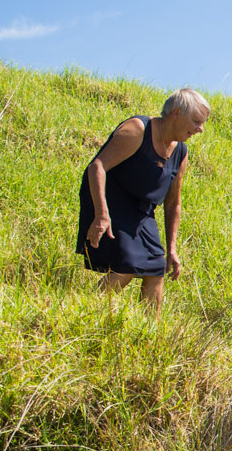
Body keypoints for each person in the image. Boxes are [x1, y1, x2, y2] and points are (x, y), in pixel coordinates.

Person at [77, 88, 209, 307]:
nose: (200, 129)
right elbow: (97, 167)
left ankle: (151, 333)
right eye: (196, 121)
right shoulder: (138, 130)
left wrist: (172, 249)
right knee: (127, 266)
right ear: (176, 112)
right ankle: (84, 308)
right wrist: (101, 214)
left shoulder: (180, 152)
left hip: (142, 212)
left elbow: (173, 203)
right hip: (111, 201)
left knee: (156, 267)